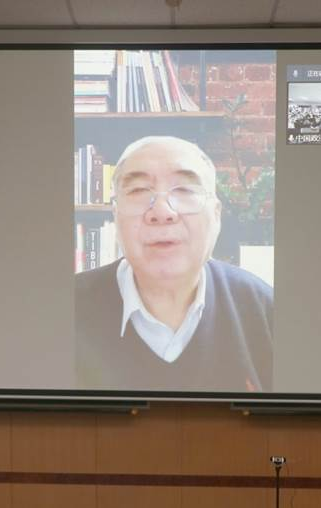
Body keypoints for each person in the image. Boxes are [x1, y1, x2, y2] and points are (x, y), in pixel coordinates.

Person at [75, 136, 273, 392]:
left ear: (216, 215)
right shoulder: (60, 310)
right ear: (116, 215)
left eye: (184, 190)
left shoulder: (265, 309)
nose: (162, 212)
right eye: (138, 191)